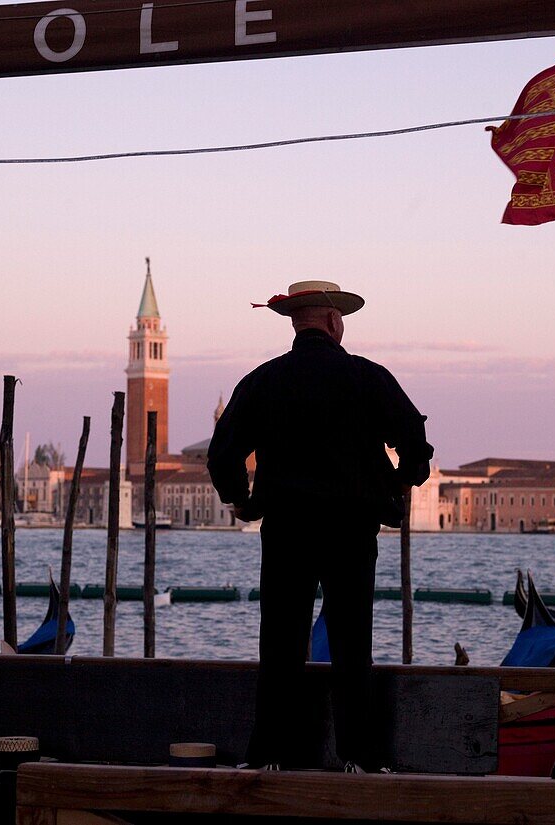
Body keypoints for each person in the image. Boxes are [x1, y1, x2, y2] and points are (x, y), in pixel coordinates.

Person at [207, 280, 433, 773]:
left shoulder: (263, 380)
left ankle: (269, 756)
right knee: (353, 644)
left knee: (281, 642)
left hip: (286, 526)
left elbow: (222, 453)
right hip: (352, 528)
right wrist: (399, 483)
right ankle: (361, 758)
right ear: (333, 321)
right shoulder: (366, 377)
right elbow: (415, 441)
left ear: (296, 323)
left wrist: (241, 502)